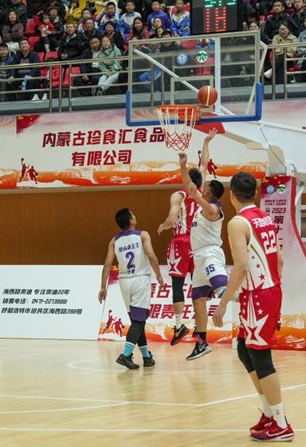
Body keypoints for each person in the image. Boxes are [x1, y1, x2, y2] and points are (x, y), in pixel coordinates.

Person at [213, 171, 294, 441]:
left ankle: (281, 422)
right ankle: (269, 412)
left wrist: (223, 303)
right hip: (266, 291)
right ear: (256, 193)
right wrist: (272, 287)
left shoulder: (238, 222)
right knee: (244, 350)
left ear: (231, 195)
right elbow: (279, 259)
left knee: (260, 357)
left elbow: (240, 267)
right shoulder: (265, 217)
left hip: (259, 294)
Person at [179, 130, 228, 361]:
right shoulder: (202, 199)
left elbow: (201, 198)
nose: (203, 184)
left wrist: (194, 195)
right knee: (198, 300)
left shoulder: (214, 208)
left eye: (205, 186)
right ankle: (201, 343)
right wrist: (205, 143)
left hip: (210, 253)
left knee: (223, 289)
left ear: (209, 192)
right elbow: (203, 166)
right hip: (197, 258)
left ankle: (250, 304)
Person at [98, 208, 164, 369]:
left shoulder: (114, 241)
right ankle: (125, 355)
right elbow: (151, 254)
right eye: (133, 214)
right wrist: (159, 275)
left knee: (136, 321)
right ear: (131, 220)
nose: (135, 216)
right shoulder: (143, 235)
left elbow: (107, 264)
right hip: (140, 279)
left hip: (124, 282)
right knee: (139, 321)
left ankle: (147, 357)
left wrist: (103, 287)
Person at [156, 167, 203, 346]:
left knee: (178, 284)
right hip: (198, 243)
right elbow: (204, 165)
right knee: (198, 285)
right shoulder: (201, 195)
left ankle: (179, 326)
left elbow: (171, 220)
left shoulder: (178, 195)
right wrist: (206, 148)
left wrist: (162, 226)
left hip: (181, 242)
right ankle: (199, 326)